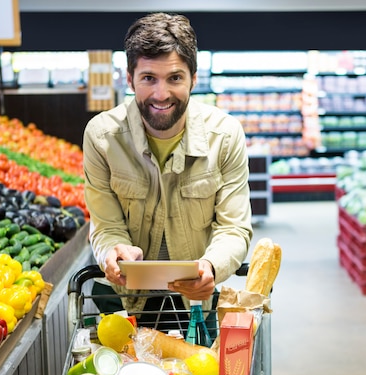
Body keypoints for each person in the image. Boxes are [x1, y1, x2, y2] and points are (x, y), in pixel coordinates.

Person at [82, 12, 253, 333]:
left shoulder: (225, 135)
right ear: (130, 78)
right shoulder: (102, 137)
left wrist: (211, 266)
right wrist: (112, 250)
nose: (161, 94)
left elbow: (234, 228)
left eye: (175, 78)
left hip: (197, 303)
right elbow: (105, 224)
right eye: (149, 78)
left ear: (194, 78)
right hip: (122, 301)